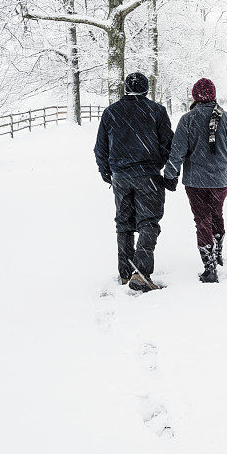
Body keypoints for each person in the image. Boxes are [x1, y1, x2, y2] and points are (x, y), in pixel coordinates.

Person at [94, 72, 174, 292]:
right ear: (146, 89)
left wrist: (106, 171)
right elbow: (168, 144)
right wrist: (158, 162)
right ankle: (140, 271)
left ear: (125, 89)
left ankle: (125, 271)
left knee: (124, 223)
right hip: (148, 175)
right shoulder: (157, 111)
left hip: (120, 176)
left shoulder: (111, 112)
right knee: (148, 222)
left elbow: (100, 147)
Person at [163, 78, 227, 283]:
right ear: (214, 95)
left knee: (202, 219)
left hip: (196, 181)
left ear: (195, 96)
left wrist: (171, 175)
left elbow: (177, 152)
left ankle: (209, 267)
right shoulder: (226, 119)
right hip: (221, 179)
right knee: (216, 214)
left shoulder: (188, 119)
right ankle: (217, 254)